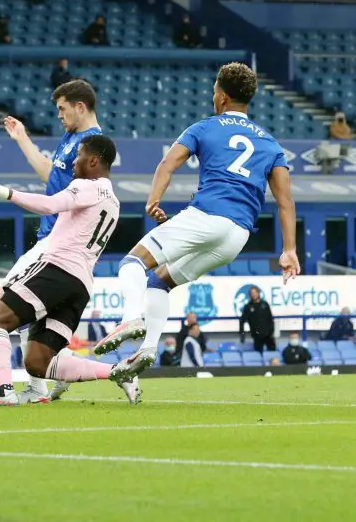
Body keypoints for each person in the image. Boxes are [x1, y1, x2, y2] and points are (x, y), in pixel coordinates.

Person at [94, 62, 300, 381]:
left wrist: (153, 200)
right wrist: (289, 250)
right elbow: (285, 202)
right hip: (237, 236)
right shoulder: (271, 144)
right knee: (159, 281)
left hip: (207, 216)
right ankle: (147, 349)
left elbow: (167, 163)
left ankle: (131, 319)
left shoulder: (204, 127)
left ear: (221, 97)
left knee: (133, 262)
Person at [0, 134, 139, 407]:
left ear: (94, 160)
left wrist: (2, 191)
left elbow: (49, 205)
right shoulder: (113, 201)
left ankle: (3, 392)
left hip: (57, 269)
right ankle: (117, 372)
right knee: (38, 363)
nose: (75, 161)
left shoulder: (88, 187)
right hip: (81, 285)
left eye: (80, 155)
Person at [0, 79, 102, 404]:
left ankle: (10, 390)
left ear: (80, 107)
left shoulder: (95, 145)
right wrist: (23, 139)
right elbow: (50, 176)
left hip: (58, 243)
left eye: (62, 108)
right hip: (50, 239)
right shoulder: (72, 138)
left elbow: (81, 199)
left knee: (1, 305)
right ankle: (39, 387)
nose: (58, 115)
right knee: (34, 316)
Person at [239, 286, 276, 352]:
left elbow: (270, 318)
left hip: (268, 335)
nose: (253, 294)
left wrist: (272, 330)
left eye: (255, 292)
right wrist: (242, 334)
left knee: (273, 352)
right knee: (258, 352)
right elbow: (242, 321)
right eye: (251, 293)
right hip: (257, 336)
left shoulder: (265, 304)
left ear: (258, 293)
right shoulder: (248, 306)